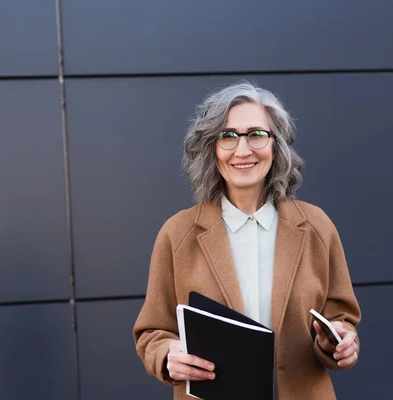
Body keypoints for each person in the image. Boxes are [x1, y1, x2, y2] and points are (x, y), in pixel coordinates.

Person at [133, 82, 361, 399]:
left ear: (275, 145)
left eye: (256, 134)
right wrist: (166, 355)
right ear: (211, 148)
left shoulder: (316, 226)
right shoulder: (177, 234)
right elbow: (152, 332)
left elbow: (342, 319)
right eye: (228, 136)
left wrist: (341, 342)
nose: (243, 150)